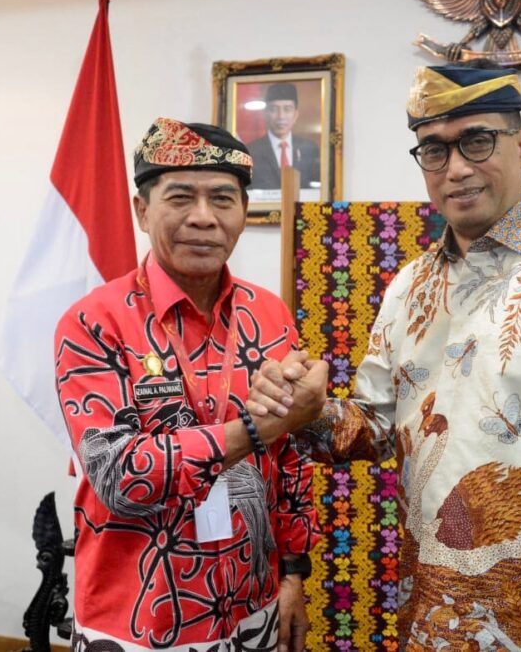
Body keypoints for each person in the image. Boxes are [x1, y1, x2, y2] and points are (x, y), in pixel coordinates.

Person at [248, 66, 521, 651]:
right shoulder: (409, 289)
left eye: (477, 141)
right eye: (434, 149)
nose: (455, 168)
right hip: (432, 620)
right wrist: (310, 412)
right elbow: (375, 431)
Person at [54, 117, 329, 651]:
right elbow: (119, 476)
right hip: (139, 616)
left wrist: (293, 572)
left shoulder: (269, 314)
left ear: (244, 212)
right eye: (181, 197)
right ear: (142, 210)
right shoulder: (94, 322)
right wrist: (254, 430)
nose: (203, 217)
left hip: (253, 603)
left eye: (222, 199)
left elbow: (290, 458)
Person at [248, 83, 321, 190]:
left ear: (295, 115)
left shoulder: (310, 148)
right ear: (265, 114)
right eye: (274, 109)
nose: (281, 116)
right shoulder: (251, 151)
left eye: (287, 109)